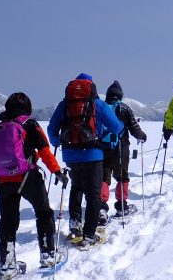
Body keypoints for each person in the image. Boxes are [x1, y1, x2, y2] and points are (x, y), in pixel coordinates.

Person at [0, 92, 67, 278]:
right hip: (28, 177)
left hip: (3, 181)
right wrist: (57, 172)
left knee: (7, 222)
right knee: (44, 213)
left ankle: (7, 264)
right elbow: (44, 151)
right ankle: (48, 255)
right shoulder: (30, 124)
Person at [48, 73, 123, 245]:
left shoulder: (64, 105)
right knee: (93, 194)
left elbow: (52, 129)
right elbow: (116, 127)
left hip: (70, 155)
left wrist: (59, 142)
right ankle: (89, 234)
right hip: (93, 154)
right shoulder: (98, 104)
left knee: (76, 187)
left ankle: (75, 224)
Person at [100, 80, 147, 216]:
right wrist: (142, 136)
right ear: (120, 96)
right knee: (122, 176)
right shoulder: (125, 108)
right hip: (121, 147)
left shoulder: (101, 107)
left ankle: (102, 206)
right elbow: (134, 127)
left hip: (103, 147)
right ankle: (122, 206)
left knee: (104, 176)